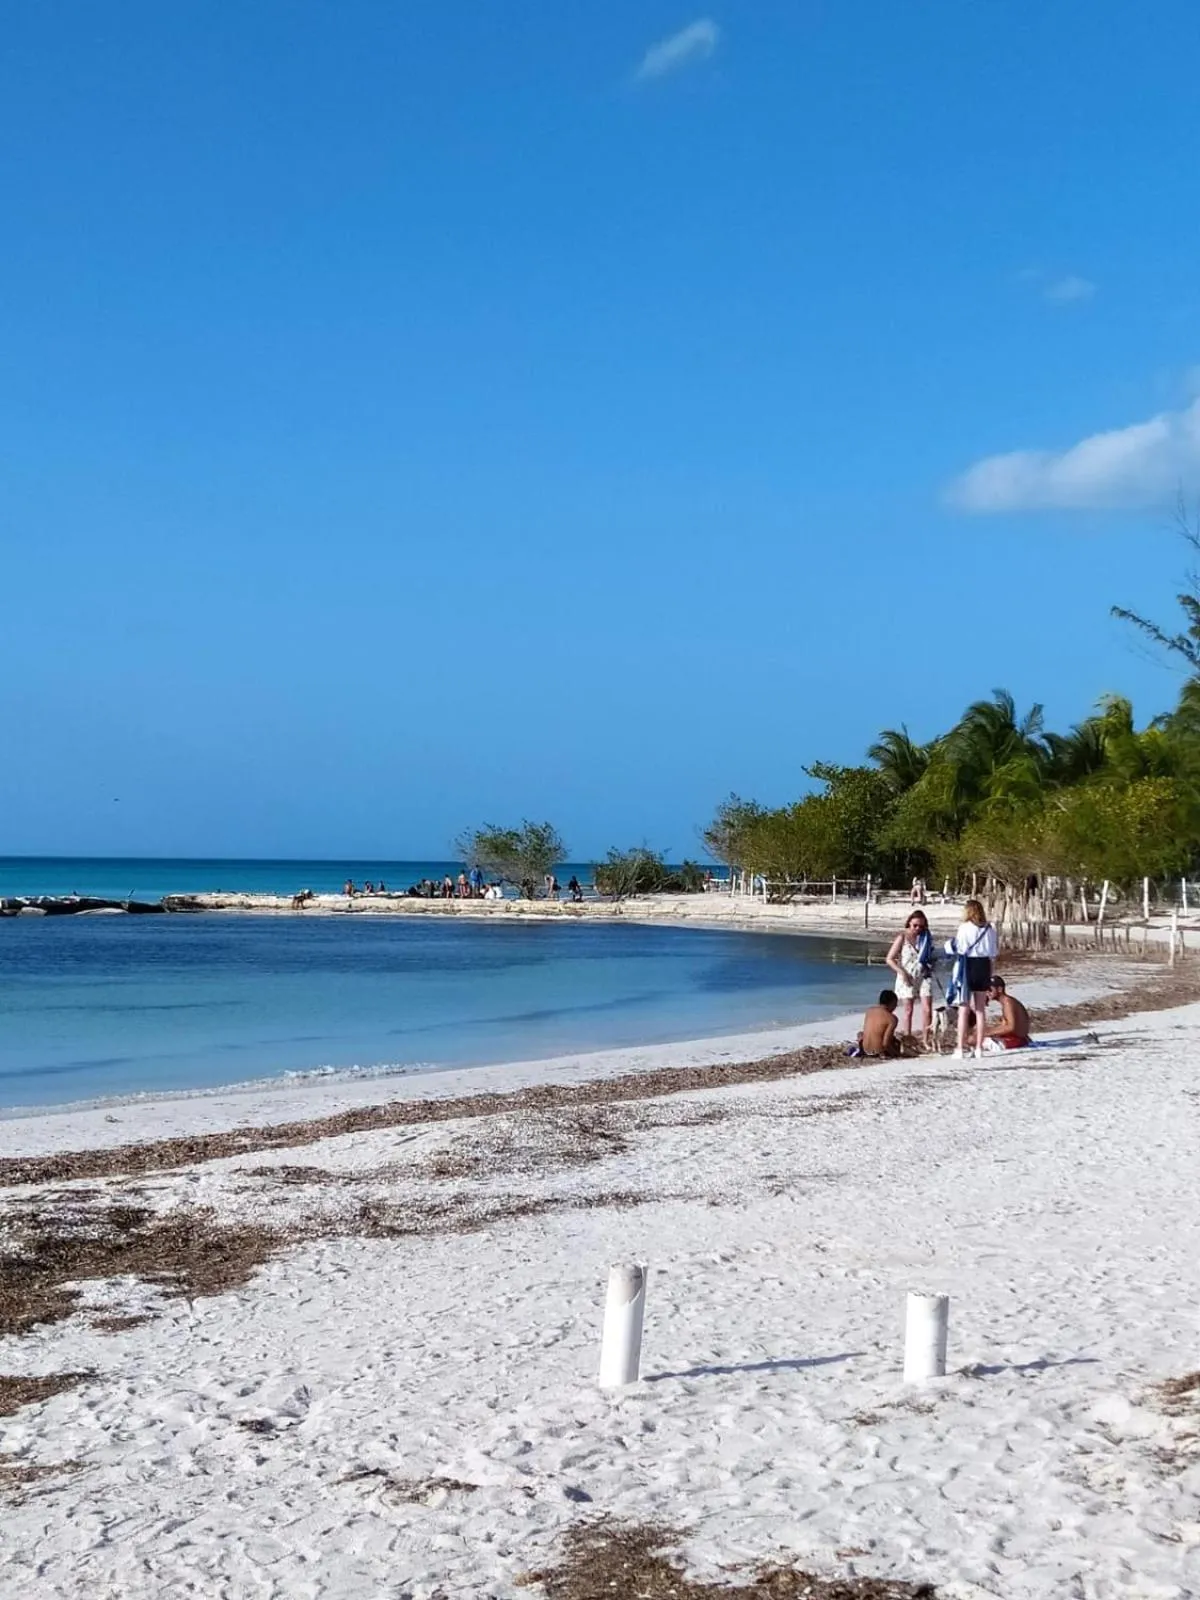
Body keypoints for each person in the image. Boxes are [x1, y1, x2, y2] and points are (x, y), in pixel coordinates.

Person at [944, 898, 998, 1059]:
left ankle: (960, 1048)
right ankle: (979, 1048)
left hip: (968, 966)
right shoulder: (990, 929)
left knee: (963, 1009)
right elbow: (993, 953)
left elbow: (959, 948)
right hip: (984, 966)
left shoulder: (965, 927)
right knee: (980, 1010)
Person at [885, 909, 935, 1049]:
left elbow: (931, 956)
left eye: (921, 926)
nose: (918, 929)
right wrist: (902, 973)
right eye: (915, 926)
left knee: (927, 1009)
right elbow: (889, 959)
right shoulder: (902, 937)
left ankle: (926, 1040)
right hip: (907, 975)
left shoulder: (926, 938)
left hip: (924, 975)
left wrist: (932, 963)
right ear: (909, 924)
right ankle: (908, 1040)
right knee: (908, 1010)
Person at [983, 976, 1032, 1050]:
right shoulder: (1006, 1002)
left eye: (990, 990)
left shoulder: (1007, 1002)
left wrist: (987, 1032)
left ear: (999, 989)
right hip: (1017, 1038)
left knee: (976, 1039)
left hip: (1016, 1040)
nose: (987, 992)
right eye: (986, 990)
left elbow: (1010, 1027)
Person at [857, 990, 902, 1058]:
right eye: (895, 1004)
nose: (896, 1007)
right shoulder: (892, 1019)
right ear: (892, 1003)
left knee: (860, 1033)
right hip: (878, 1052)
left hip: (864, 1050)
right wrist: (897, 1054)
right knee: (896, 1042)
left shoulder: (869, 1011)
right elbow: (885, 1044)